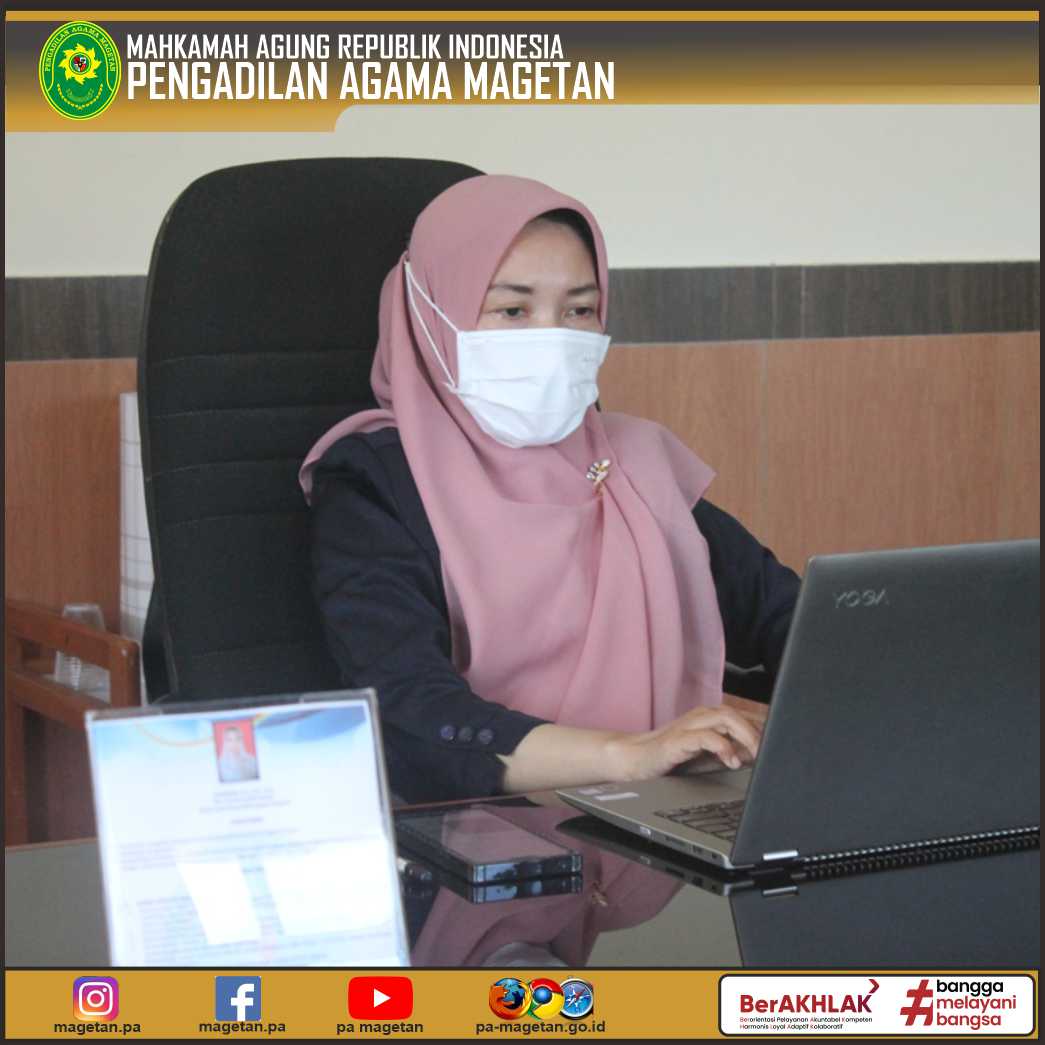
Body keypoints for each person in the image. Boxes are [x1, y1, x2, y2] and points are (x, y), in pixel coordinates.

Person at [300, 175, 799, 803]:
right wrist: (627, 754)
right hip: (479, 827)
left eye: (579, 310)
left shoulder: (634, 462)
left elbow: (786, 617)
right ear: (431, 317)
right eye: (513, 310)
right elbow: (411, 712)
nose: (553, 336)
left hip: (657, 816)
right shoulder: (376, 480)